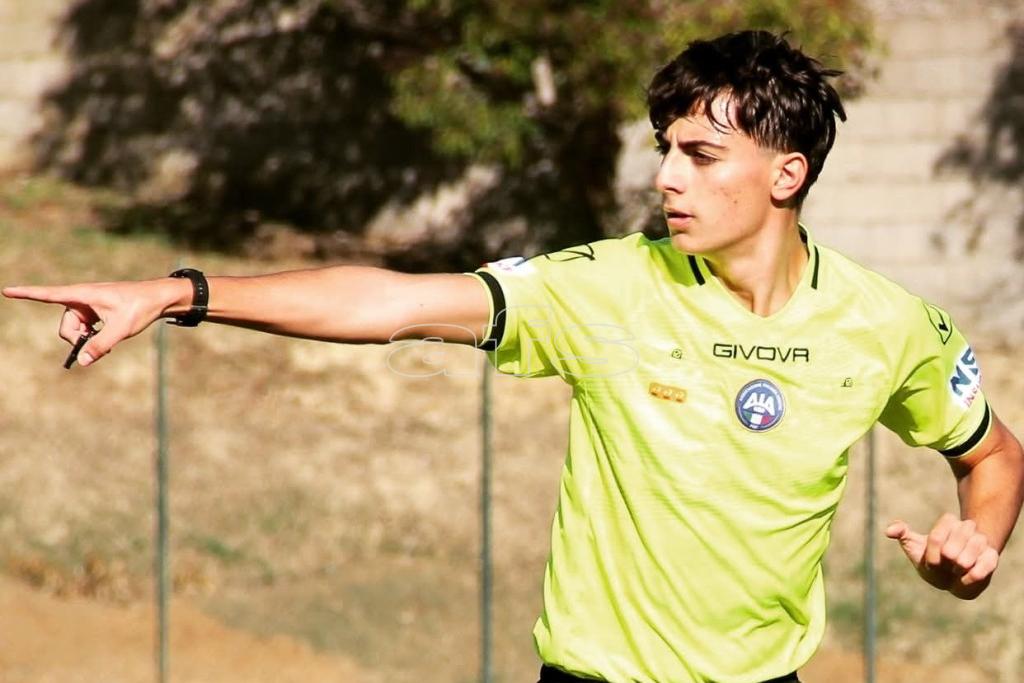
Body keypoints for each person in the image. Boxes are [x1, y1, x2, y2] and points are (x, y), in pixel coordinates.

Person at [5, 30, 1023, 683]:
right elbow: (394, 303)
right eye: (664, 148)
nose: (666, 177)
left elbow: (992, 454)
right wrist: (177, 292)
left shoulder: (888, 324)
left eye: (700, 154)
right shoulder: (608, 285)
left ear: (787, 174)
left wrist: (973, 550)